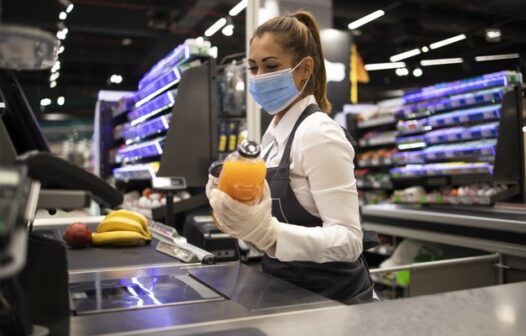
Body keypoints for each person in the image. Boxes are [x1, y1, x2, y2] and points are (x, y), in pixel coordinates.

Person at [207, 10, 375, 304]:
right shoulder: (270, 141)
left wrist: (270, 234)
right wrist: (234, 209)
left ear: (304, 68)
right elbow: (261, 224)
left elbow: (349, 241)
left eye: (270, 66)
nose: (259, 78)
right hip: (284, 291)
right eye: (253, 67)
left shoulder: (319, 134)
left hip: (333, 302)